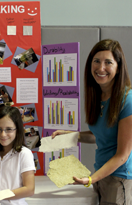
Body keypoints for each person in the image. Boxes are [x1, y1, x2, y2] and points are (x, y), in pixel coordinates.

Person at [52, 39, 132, 204]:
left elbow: (122, 156)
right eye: (96, 61)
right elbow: (100, 135)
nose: (100, 68)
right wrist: (71, 135)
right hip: (101, 174)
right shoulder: (98, 96)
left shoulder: (128, 100)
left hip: (118, 179)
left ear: (118, 68)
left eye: (108, 62)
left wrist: (90, 179)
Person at [0, 106, 35, 205]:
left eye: (9, 129)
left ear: (17, 130)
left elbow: (29, 189)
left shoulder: (24, 154)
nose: (3, 134)